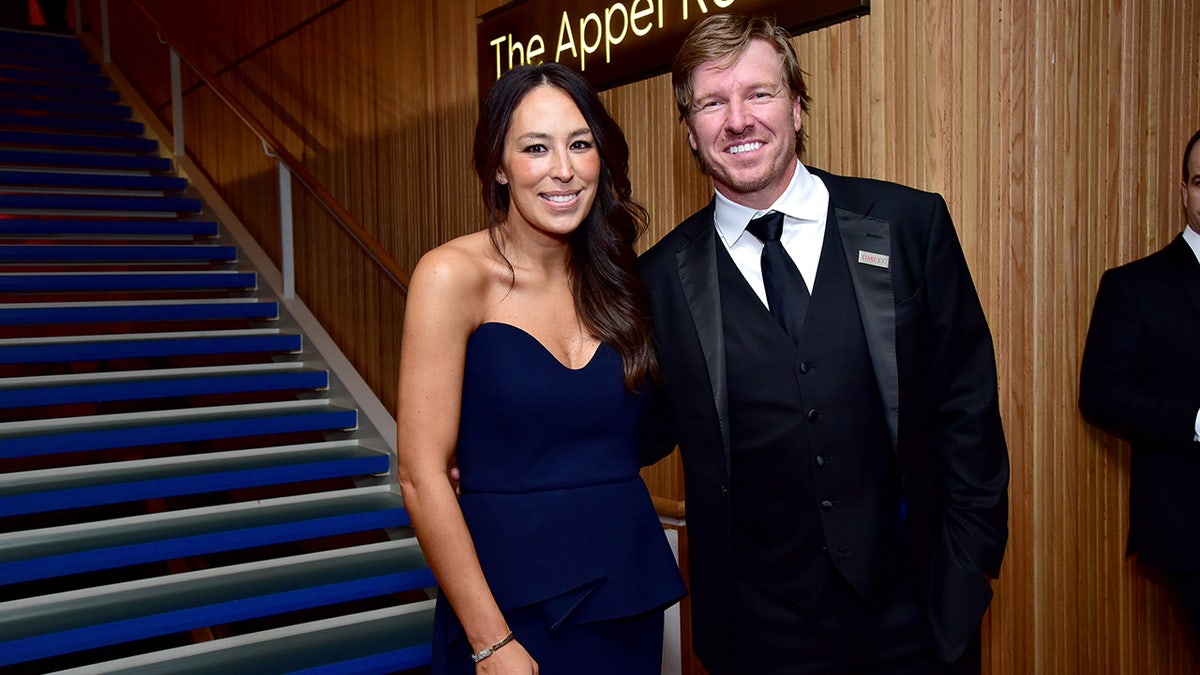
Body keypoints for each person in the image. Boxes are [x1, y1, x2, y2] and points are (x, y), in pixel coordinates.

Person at [637, 13, 1010, 674]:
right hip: (759, 634)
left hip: (916, 613)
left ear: (798, 105)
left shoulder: (906, 225)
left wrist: (966, 573)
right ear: (690, 132)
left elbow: (967, 405)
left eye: (759, 93)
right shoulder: (661, 279)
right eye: (712, 103)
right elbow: (636, 430)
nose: (738, 119)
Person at [396, 62, 685, 674]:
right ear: (498, 166)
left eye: (580, 144)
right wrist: (491, 642)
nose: (563, 169)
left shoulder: (622, 281)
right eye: (536, 148)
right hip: (505, 604)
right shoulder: (451, 277)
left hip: (626, 597)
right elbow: (422, 476)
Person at [1079, 128, 1200, 646]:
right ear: (1183, 191)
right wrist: (1195, 421)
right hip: (1190, 529)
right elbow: (1101, 393)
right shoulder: (1134, 286)